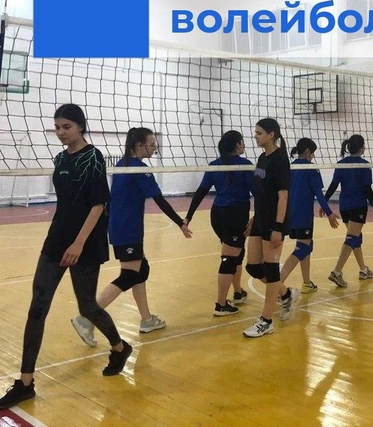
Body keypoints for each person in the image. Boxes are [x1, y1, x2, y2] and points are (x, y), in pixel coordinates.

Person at [0, 104, 131, 411]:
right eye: (57, 127)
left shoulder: (93, 157)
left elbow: (98, 204)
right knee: (38, 306)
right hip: (57, 239)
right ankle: (25, 383)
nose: (60, 132)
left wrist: (78, 244)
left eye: (66, 127)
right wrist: (62, 239)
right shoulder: (60, 158)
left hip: (85, 242)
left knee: (87, 306)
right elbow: (66, 203)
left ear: (80, 126)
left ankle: (119, 347)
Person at [71, 127, 192, 347]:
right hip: (128, 229)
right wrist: (180, 222)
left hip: (121, 227)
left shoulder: (121, 165)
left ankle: (147, 319)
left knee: (141, 270)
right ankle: (86, 318)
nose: (155, 147)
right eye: (152, 144)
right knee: (129, 275)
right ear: (139, 145)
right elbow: (159, 199)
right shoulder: (139, 169)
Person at [184, 130, 254, 316]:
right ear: (237, 144)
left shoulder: (214, 165)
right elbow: (259, 193)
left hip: (217, 214)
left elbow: (201, 192)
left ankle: (238, 292)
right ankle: (221, 305)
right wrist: (258, 217)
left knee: (237, 252)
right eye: (242, 142)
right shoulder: (245, 165)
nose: (244, 145)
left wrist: (189, 216)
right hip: (235, 214)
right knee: (229, 258)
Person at [243, 118, 292, 337]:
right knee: (254, 267)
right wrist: (255, 217)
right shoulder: (263, 158)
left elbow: (283, 196)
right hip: (260, 219)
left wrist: (278, 227)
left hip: (274, 221)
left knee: (271, 270)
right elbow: (261, 193)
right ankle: (286, 294)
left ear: (271, 135)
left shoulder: (280, 159)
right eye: (255, 133)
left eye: (259, 133)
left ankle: (266, 321)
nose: (255, 136)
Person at [279, 138, 338, 295]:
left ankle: (307, 283)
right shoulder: (311, 169)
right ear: (307, 152)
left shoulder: (290, 167)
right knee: (303, 247)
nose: (313, 156)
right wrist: (329, 213)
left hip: (290, 215)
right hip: (303, 215)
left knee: (305, 245)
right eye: (312, 153)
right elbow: (319, 194)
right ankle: (278, 284)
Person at [325, 135, 373, 288]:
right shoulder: (364, 165)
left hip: (344, 207)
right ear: (362, 147)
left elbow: (333, 185)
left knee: (355, 237)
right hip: (358, 205)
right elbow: (367, 188)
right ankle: (336, 271)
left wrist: (324, 201)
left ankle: (363, 269)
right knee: (352, 238)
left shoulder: (341, 164)